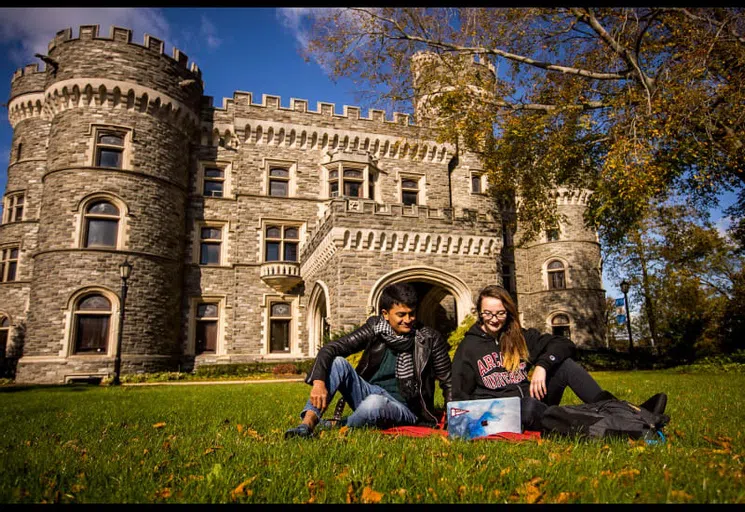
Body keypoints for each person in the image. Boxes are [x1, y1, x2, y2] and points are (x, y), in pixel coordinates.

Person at [451, 285, 666, 431]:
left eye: (500, 313)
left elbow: (564, 344)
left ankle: (623, 410)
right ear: (479, 312)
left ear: (509, 312)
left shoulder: (519, 336)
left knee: (565, 366)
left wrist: (542, 366)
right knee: (529, 408)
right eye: (488, 313)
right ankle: (627, 418)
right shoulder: (469, 347)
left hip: (535, 400)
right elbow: (460, 397)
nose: (494, 320)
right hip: (506, 412)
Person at [285, 282, 452, 439]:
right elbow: (331, 348)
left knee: (374, 403)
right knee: (337, 362)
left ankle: (338, 425)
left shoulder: (430, 338)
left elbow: (448, 381)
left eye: (412, 314)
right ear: (385, 314)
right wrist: (319, 383)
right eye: (401, 315)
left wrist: (454, 418)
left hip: (407, 409)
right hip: (369, 392)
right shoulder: (375, 328)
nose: (408, 320)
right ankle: (306, 425)